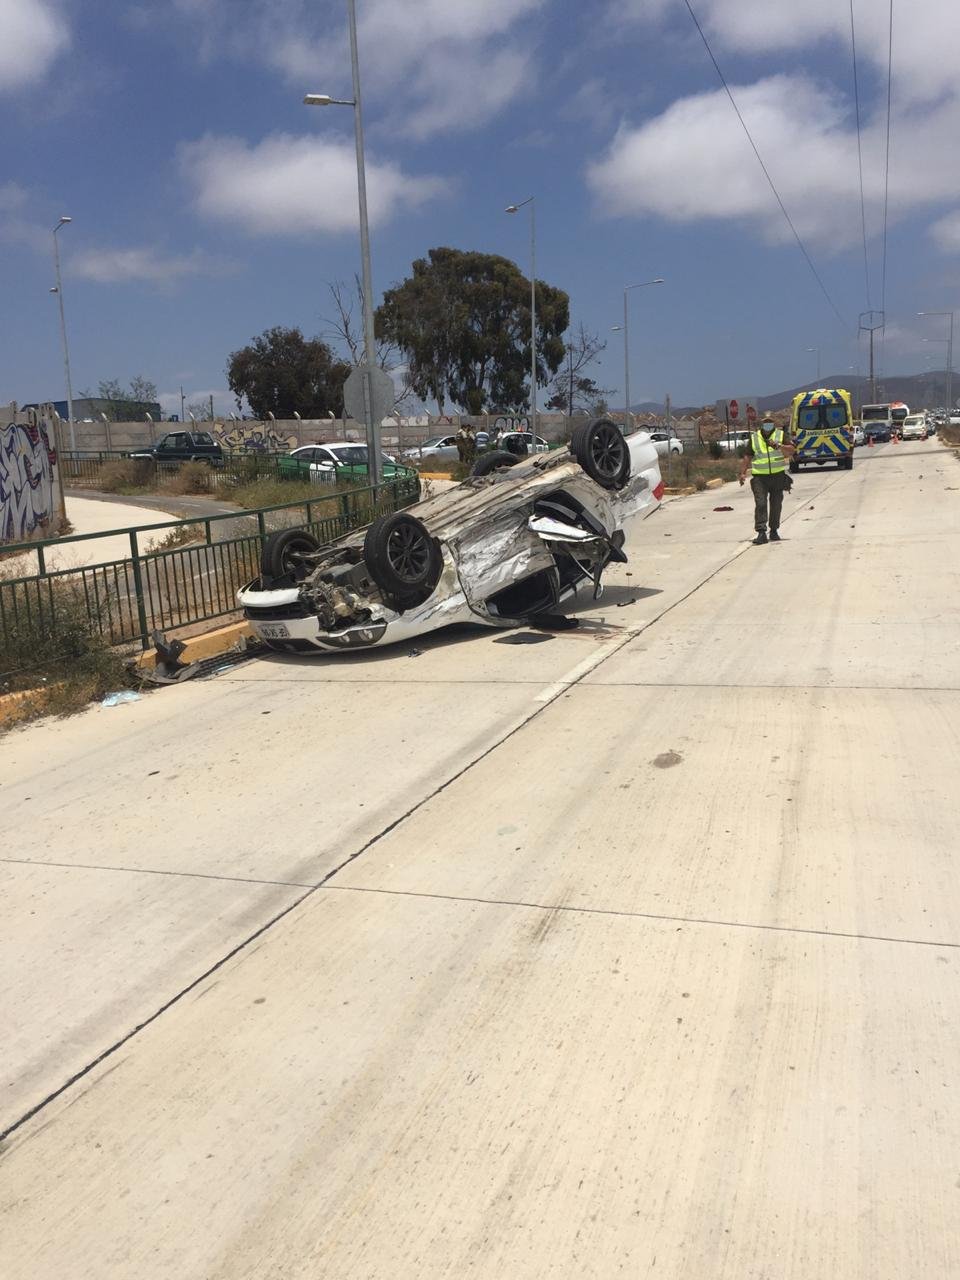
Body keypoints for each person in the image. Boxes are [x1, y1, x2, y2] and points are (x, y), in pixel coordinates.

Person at [738, 414, 796, 544]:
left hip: (778, 476)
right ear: (762, 424)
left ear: (774, 423)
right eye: (766, 422)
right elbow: (747, 456)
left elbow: (792, 450)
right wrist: (742, 473)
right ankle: (761, 532)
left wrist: (779, 446)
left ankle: (774, 530)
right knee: (761, 504)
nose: (768, 424)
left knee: (776, 505)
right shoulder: (755, 437)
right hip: (760, 477)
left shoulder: (780, 435)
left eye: (770, 422)